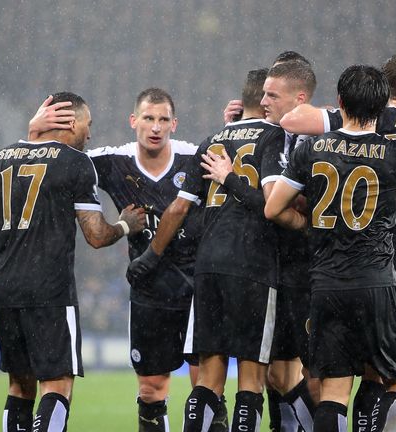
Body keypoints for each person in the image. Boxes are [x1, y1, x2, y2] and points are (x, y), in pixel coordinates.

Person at [0, 92, 146, 432]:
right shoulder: (75, 163)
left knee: (19, 386)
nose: (90, 133)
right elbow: (96, 236)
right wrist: (126, 224)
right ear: (72, 122)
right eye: (89, 124)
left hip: (6, 291)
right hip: (51, 292)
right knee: (57, 385)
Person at [264, 65, 396, 432]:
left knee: (333, 392)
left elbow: (273, 208)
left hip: (325, 283)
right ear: (382, 106)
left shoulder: (313, 149)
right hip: (377, 281)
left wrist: (311, 223)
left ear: (339, 102)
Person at [28, 88, 223, 432]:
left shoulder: (196, 157)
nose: (156, 127)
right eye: (148, 118)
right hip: (150, 289)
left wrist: (239, 125)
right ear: (133, 121)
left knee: (206, 386)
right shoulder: (109, 161)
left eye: (163, 119)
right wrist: (35, 132)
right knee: (151, 390)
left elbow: (239, 165)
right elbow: (52, 160)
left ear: (174, 124)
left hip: (199, 287)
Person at [128, 68, 303, 432]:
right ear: (265, 99)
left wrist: (151, 256)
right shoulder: (278, 137)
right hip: (253, 265)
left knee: (208, 379)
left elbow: (177, 208)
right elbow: (274, 203)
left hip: (207, 268)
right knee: (252, 379)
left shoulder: (212, 141)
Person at [213, 56, 320, 432]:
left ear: (299, 97)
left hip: (303, 269)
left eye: (272, 95)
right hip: (275, 266)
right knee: (278, 373)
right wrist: (240, 129)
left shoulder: (312, 141)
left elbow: (285, 206)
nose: (264, 102)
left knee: (309, 375)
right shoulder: (278, 136)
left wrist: (233, 179)